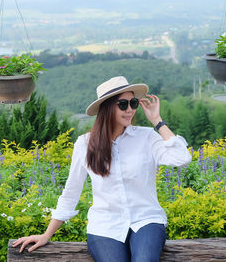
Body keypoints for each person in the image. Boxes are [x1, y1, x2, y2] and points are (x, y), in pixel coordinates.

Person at [13, 76, 192, 262]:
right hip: (105, 226)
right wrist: (46, 235)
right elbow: (71, 192)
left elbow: (182, 158)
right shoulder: (85, 144)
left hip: (146, 220)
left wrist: (157, 121)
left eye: (133, 103)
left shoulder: (147, 137)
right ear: (106, 107)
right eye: (123, 104)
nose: (130, 109)